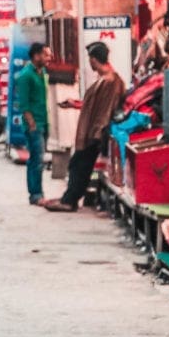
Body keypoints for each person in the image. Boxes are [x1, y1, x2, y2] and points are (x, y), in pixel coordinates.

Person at [45, 41, 126, 212]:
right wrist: (74, 104)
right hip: (92, 130)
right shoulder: (105, 80)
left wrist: (98, 132)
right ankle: (70, 198)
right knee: (79, 164)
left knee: (79, 165)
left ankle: (70, 200)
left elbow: (106, 109)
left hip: (95, 132)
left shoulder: (111, 81)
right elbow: (93, 105)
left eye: (90, 59)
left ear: (94, 60)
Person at [15, 43, 50, 205]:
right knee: (36, 160)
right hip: (34, 124)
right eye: (45, 55)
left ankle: (38, 192)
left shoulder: (41, 73)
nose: (48, 58)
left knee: (38, 159)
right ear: (36, 56)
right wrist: (32, 124)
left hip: (43, 121)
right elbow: (24, 104)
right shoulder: (25, 76)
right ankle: (35, 194)